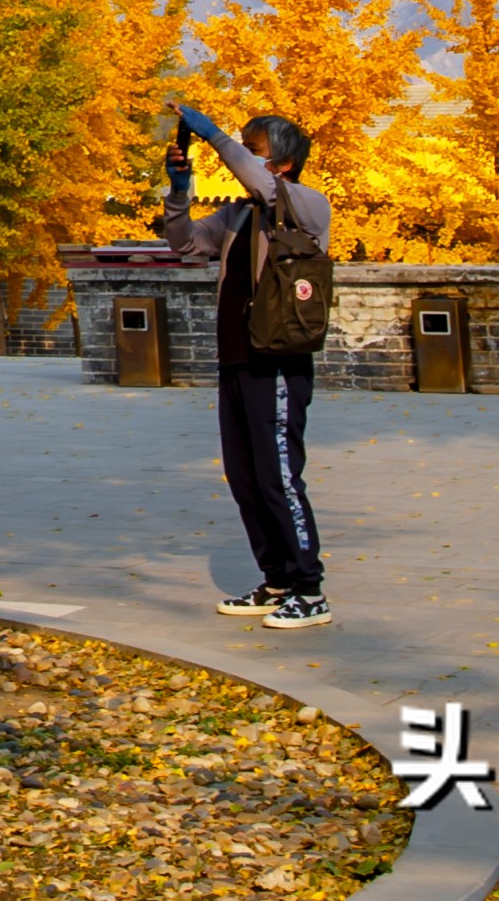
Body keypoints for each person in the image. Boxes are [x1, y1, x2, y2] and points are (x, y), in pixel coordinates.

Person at [163, 103, 331, 629]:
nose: (240, 155)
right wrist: (178, 189)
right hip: (236, 359)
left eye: (253, 149)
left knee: (279, 475)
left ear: (280, 163)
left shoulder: (305, 204)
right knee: (245, 477)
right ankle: (276, 579)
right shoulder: (237, 216)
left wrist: (212, 133)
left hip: (278, 360)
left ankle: (310, 589)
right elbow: (184, 242)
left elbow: (259, 183)